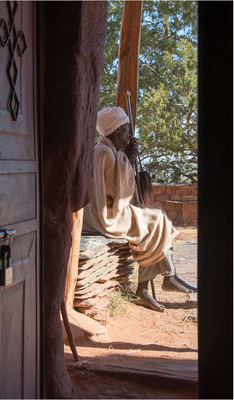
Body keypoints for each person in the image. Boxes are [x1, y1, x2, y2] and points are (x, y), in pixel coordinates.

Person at [83, 106, 197, 312]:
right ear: (117, 130)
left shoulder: (105, 149)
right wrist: (130, 159)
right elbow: (120, 195)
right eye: (126, 129)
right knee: (158, 219)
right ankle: (165, 279)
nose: (129, 133)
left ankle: (154, 285)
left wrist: (125, 156)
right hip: (106, 216)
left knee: (155, 221)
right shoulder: (104, 153)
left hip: (106, 211)